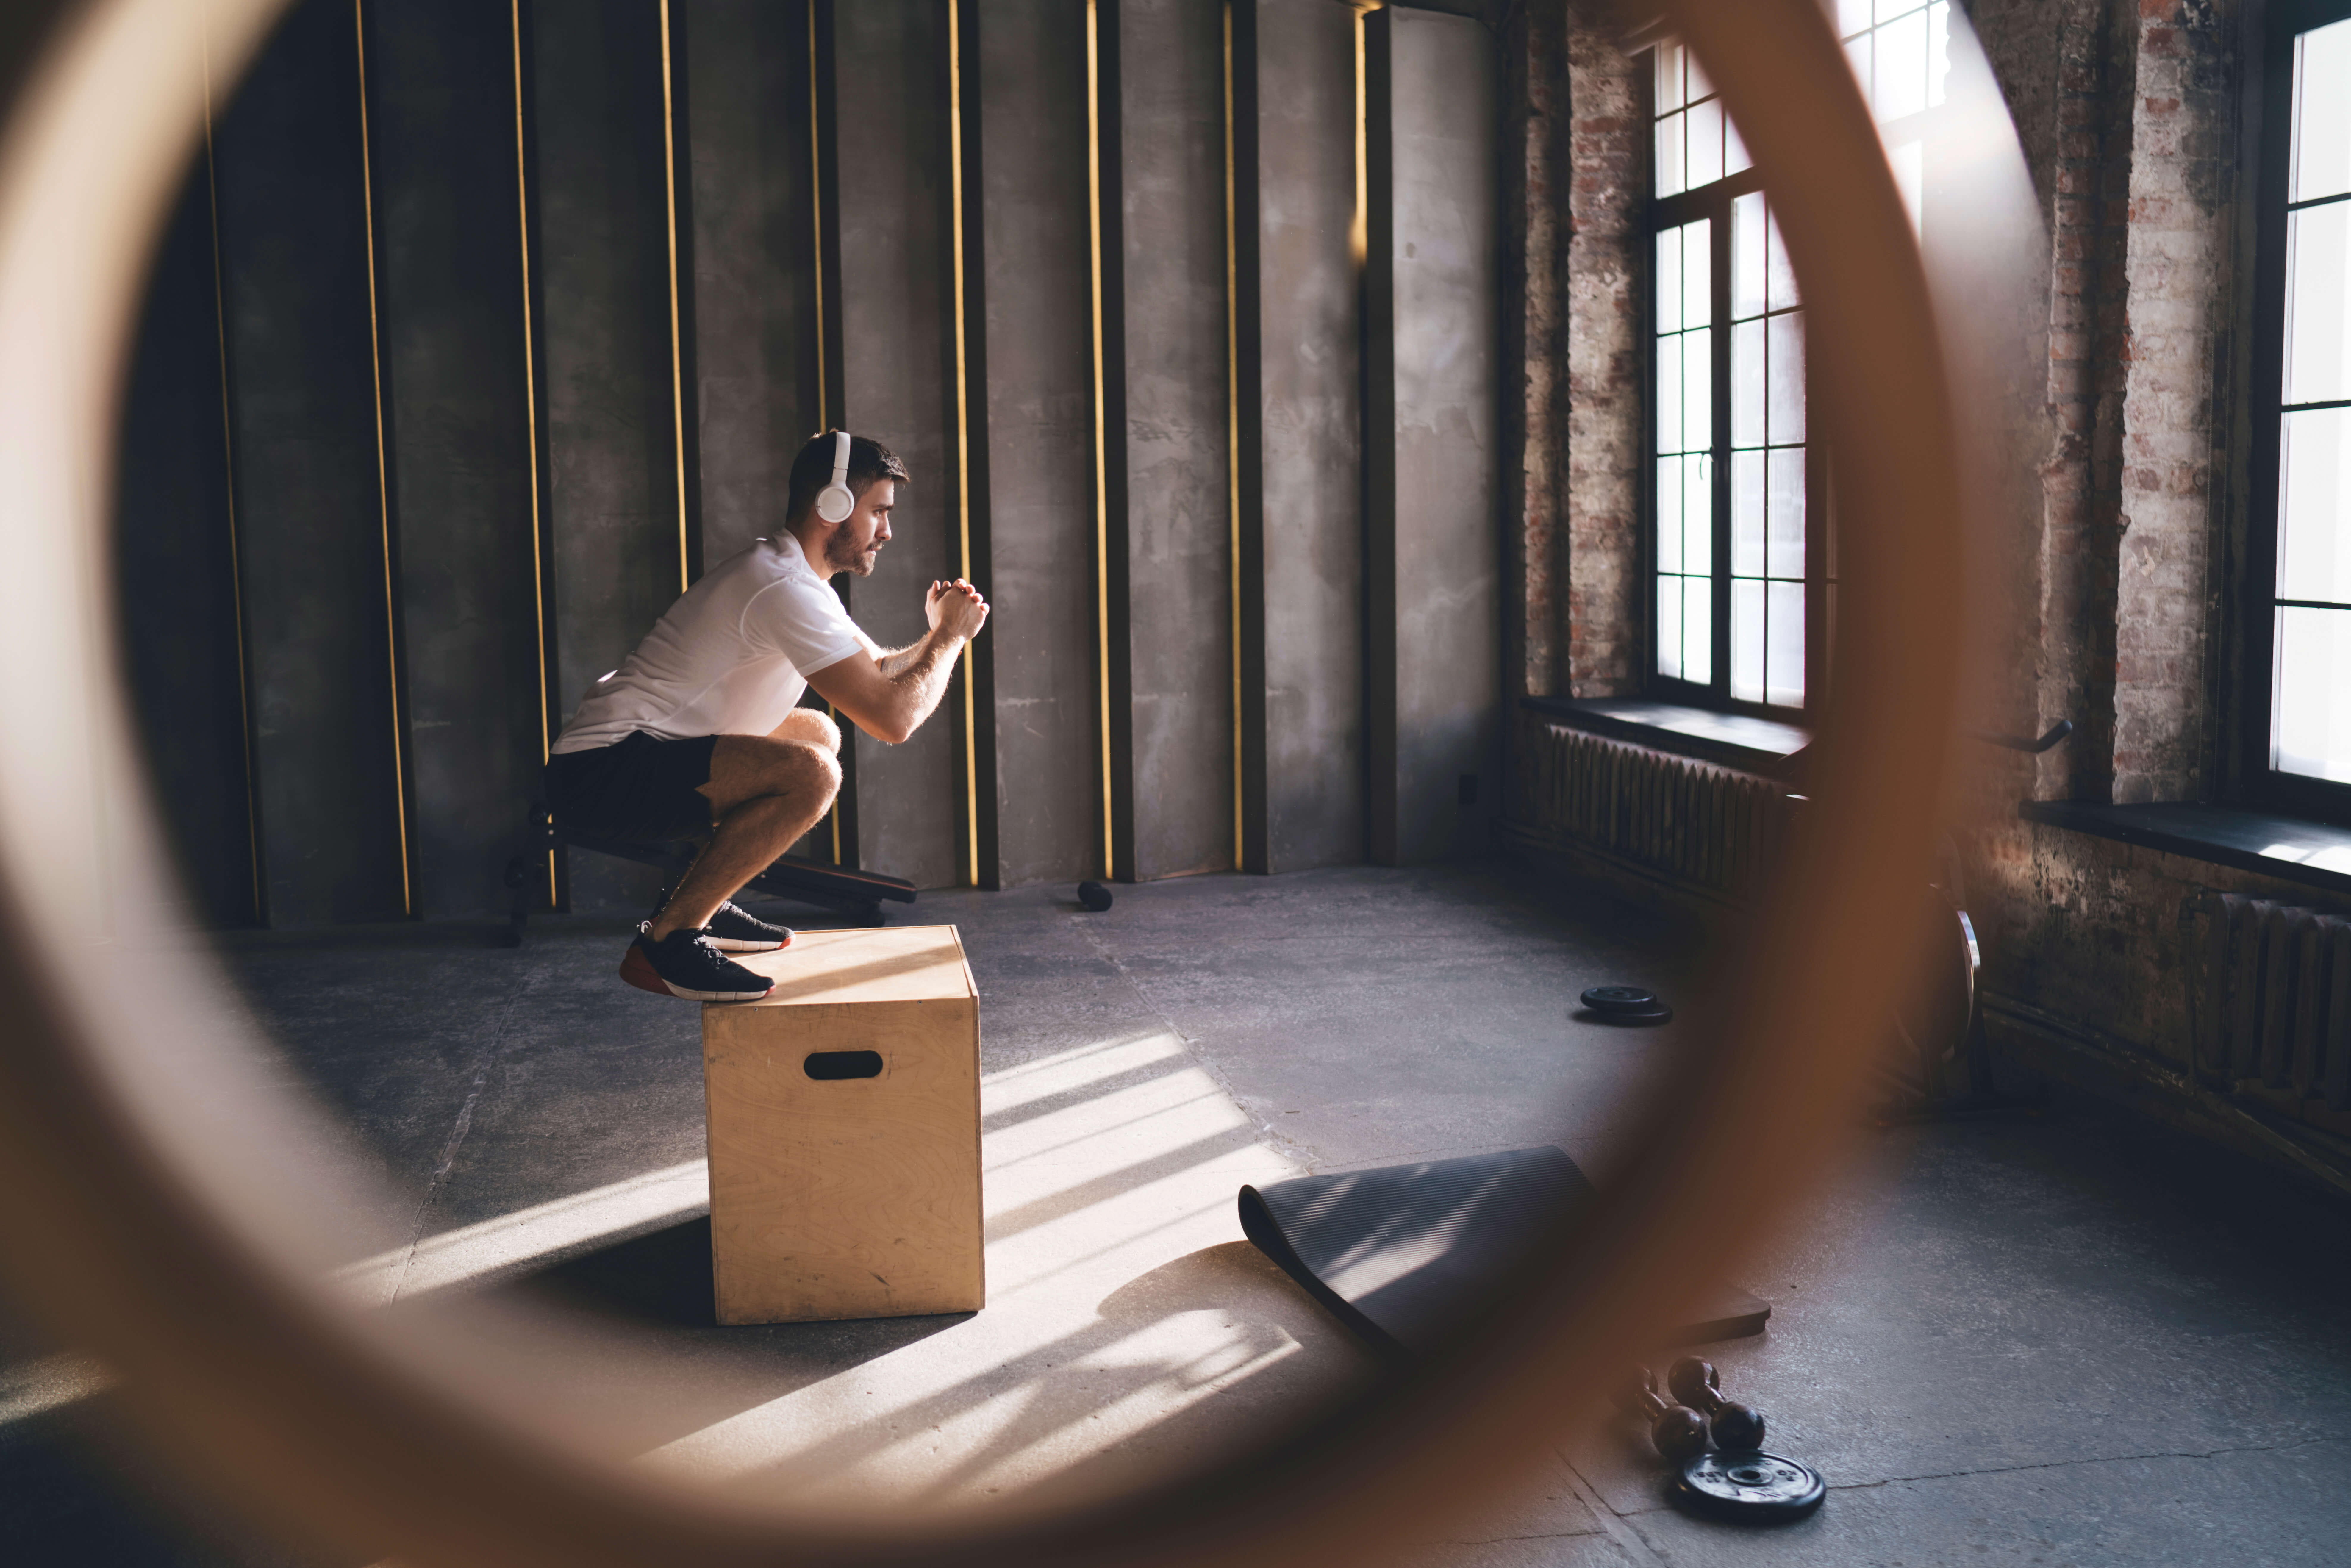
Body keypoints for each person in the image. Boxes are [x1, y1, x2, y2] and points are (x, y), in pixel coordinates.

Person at [544, 430, 988, 1002]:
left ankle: (694, 897)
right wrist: (950, 637)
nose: (887, 531)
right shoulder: (784, 588)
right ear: (834, 506)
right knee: (813, 774)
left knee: (817, 732)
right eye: (879, 512)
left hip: (637, 756)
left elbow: (879, 669)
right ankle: (669, 943)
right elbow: (892, 719)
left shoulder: (798, 578)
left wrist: (935, 634)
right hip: (603, 771)